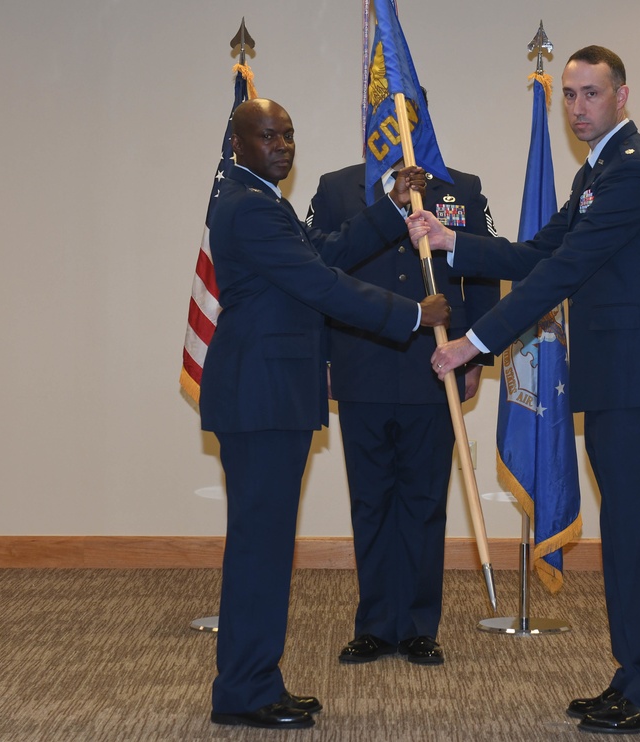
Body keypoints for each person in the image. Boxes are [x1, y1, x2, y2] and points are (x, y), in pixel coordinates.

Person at [407, 46, 640, 735]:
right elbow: (539, 253)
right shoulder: (595, 175)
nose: (577, 108)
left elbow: (561, 273)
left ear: (622, 97)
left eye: (591, 94)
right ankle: (637, 674)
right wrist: (455, 241)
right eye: (569, 95)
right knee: (626, 536)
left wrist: (475, 343)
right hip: (616, 382)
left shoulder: (634, 173)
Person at [198, 98, 449, 731]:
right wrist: (414, 316)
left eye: (288, 135)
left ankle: (253, 680)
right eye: (267, 136)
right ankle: (245, 691)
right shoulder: (249, 205)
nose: (282, 146)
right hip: (261, 397)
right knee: (260, 548)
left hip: (268, 394)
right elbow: (321, 284)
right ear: (238, 143)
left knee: (265, 545)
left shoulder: (260, 198)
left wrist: (392, 207)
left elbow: (327, 251)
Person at [305, 156, 499, 666]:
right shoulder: (337, 187)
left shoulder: (461, 186)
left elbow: (482, 271)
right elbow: (316, 273)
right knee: (370, 500)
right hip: (359, 360)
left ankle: (417, 625)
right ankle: (373, 624)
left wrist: (478, 352)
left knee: (424, 499)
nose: (398, 119)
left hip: (433, 363)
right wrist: (322, 353)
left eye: (410, 108)